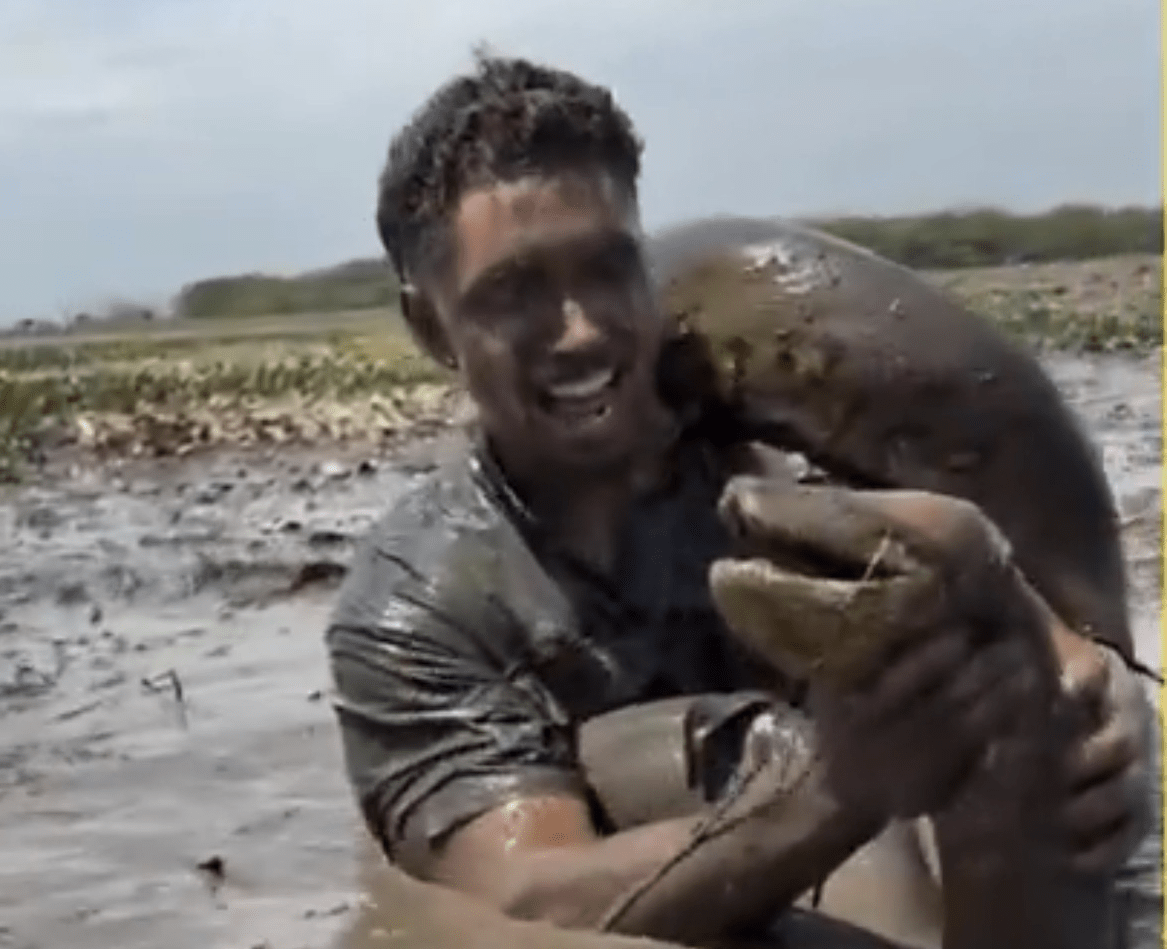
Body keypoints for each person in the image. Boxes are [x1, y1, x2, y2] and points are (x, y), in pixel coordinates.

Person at [325, 53, 1151, 947]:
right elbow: (523, 904)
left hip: (829, 833)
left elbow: (1011, 614)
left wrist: (1091, 684)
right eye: (515, 290)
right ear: (429, 326)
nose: (583, 328)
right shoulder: (412, 607)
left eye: (608, 268)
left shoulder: (744, 449)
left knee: (1006, 702)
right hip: (682, 829)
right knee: (730, 751)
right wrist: (839, 790)